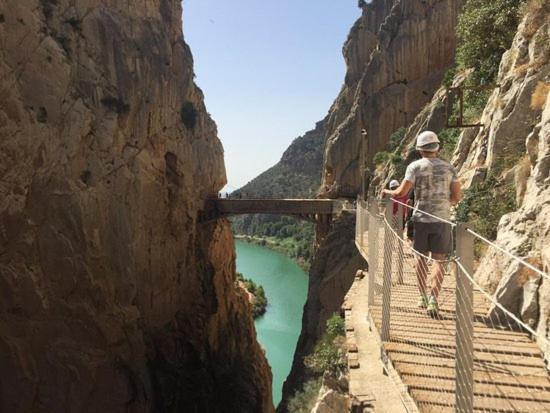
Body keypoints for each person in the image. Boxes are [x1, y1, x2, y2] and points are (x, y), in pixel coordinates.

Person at [382, 131, 462, 316]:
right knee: (439, 260)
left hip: (421, 220)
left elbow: (401, 193)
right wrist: (443, 203)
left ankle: (422, 296)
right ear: (437, 147)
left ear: (419, 149)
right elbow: (457, 196)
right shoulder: (450, 168)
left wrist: (387, 192)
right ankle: (434, 299)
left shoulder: (414, 167)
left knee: (420, 259)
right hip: (442, 220)